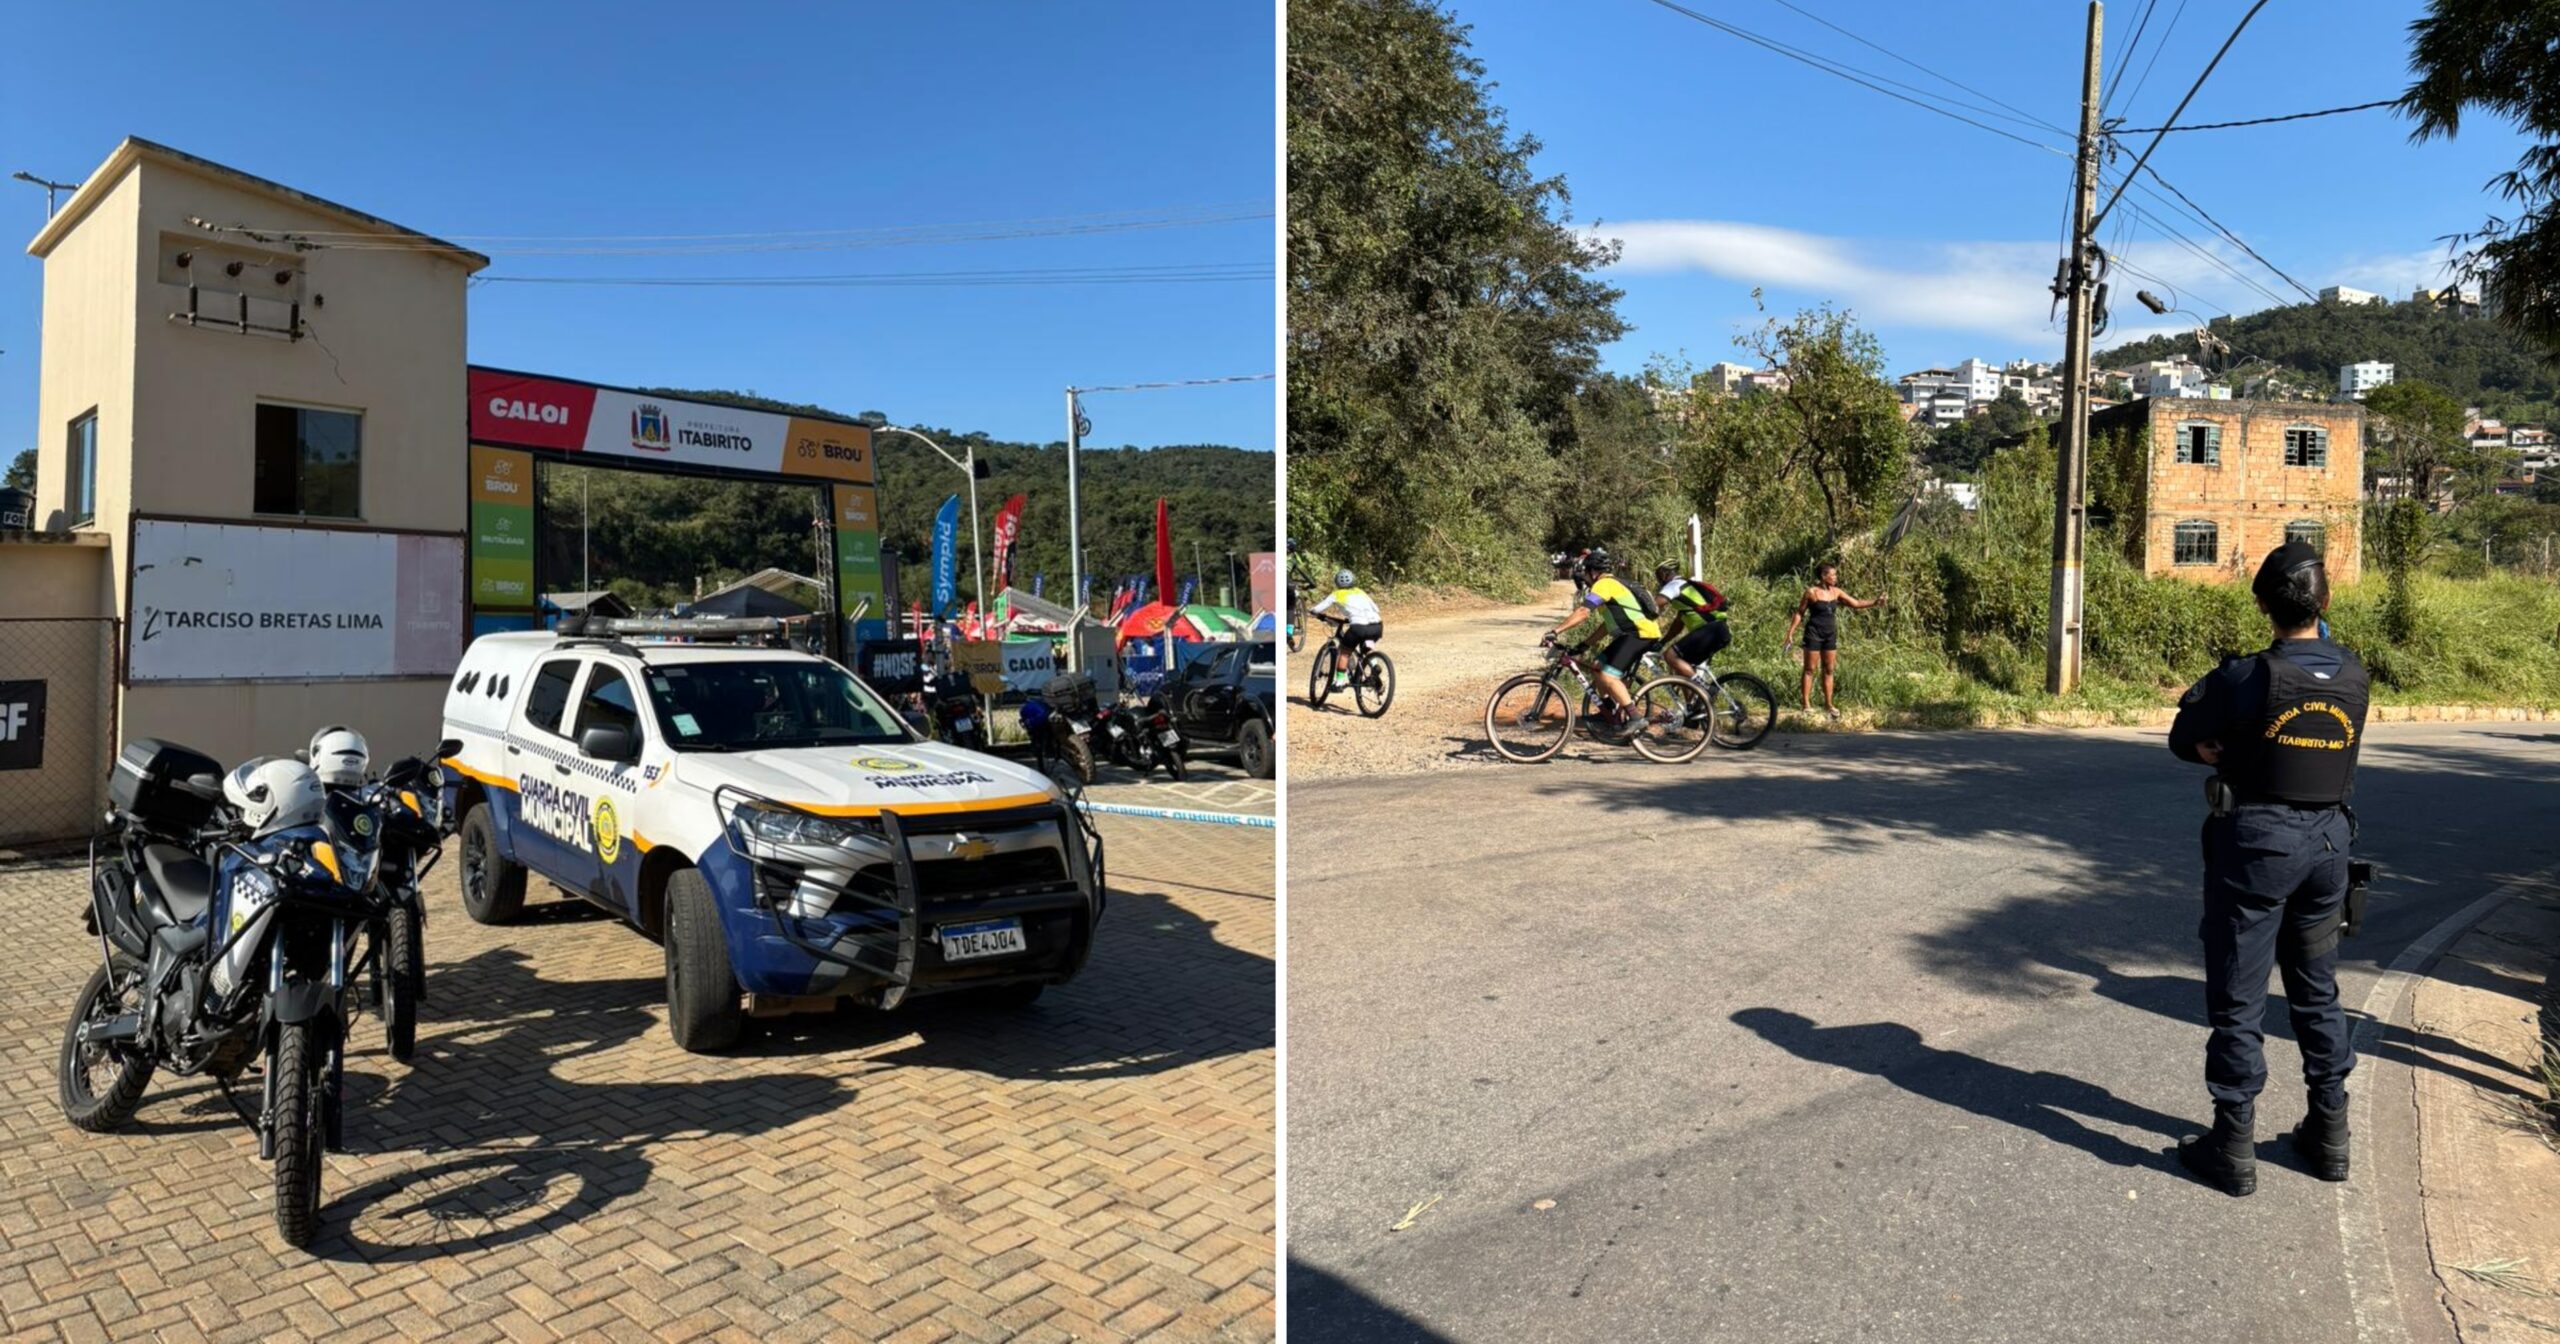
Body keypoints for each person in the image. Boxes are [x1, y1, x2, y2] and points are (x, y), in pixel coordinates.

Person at [2167, 540, 2368, 1197]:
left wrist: (2215, 747)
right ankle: (2330, 1134)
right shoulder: (2354, 674)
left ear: (2263, 606)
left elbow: (2182, 737)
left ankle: (2233, 1143)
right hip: (2329, 847)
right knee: (2316, 990)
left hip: (2257, 847)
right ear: (2326, 602)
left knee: (2239, 994)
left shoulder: (2247, 677)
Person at [1547, 550, 1659, 737]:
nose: (1584, 577)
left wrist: (1555, 631)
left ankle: (1635, 718)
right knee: (1597, 667)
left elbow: (1583, 611)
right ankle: (1607, 710)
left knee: (1608, 676)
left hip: (1639, 633)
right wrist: (1585, 644)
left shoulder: (1604, 584)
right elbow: (1606, 626)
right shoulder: (1609, 585)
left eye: (1585, 572)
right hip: (1630, 634)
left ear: (1593, 572)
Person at [1781, 563, 1879, 719]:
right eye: (1832, 575)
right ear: (1823, 576)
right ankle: (1806, 705)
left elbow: (1856, 603)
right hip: (1813, 634)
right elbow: (1799, 613)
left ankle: (1828, 704)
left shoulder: (1836, 592)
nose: (1835, 577)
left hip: (1830, 635)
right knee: (1809, 669)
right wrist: (1790, 633)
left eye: (1835, 574)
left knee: (1829, 670)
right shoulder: (1811, 593)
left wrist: (1875, 602)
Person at [1652, 560, 1732, 682]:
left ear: (1664, 573)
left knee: (1670, 656)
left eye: (1658, 576)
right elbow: (1677, 627)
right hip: (1720, 630)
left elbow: (1655, 605)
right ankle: (1694, 701)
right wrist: (1662, 642)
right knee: (1682, 667)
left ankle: (1701, 687)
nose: (1658, 580)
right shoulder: (1686, 595)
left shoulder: (1674, 585)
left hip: (1710, 630)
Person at [1309, 569, 1382, 689]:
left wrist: (1313, 612)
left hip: (1359, 627)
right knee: (1366, 647)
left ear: (1337, 582)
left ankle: (1340, 682)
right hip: (1377, 625)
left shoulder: (1336, 594)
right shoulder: (1360, 591)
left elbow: (1317, 609)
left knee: (1344, 653)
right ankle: (1375, 666)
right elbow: (1376, 608)